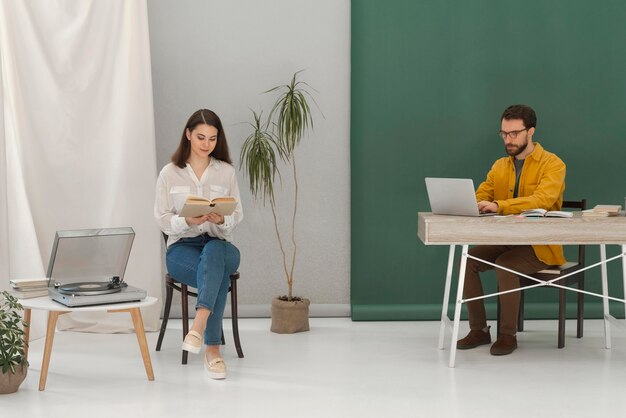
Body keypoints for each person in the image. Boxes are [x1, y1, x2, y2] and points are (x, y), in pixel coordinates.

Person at [456, 104, 566, 355]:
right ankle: (479, 330)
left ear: (531, 132)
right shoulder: (499, 166)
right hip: (507, 240)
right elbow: (484, 192)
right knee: (468, 260)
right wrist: (473, 202)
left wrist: (498, 205)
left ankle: (508, 335)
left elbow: (542, 200)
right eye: (504, 134)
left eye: (514, 133)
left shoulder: (553, 164)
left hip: (541, 245)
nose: (508, 139)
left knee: (505, 263)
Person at [154, 109, 243, 379]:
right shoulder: (169, 173)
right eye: (201, 137)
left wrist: (221, 219)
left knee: (215, 252)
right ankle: (212, 351)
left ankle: (197, 328)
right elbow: (161, 218)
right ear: (188, 135)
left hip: (219, 244)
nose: (207, 144)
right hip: (183, 250)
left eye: (213, 139)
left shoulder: (225, 172)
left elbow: (237, 213)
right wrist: (188, 222)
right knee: (214, 273)